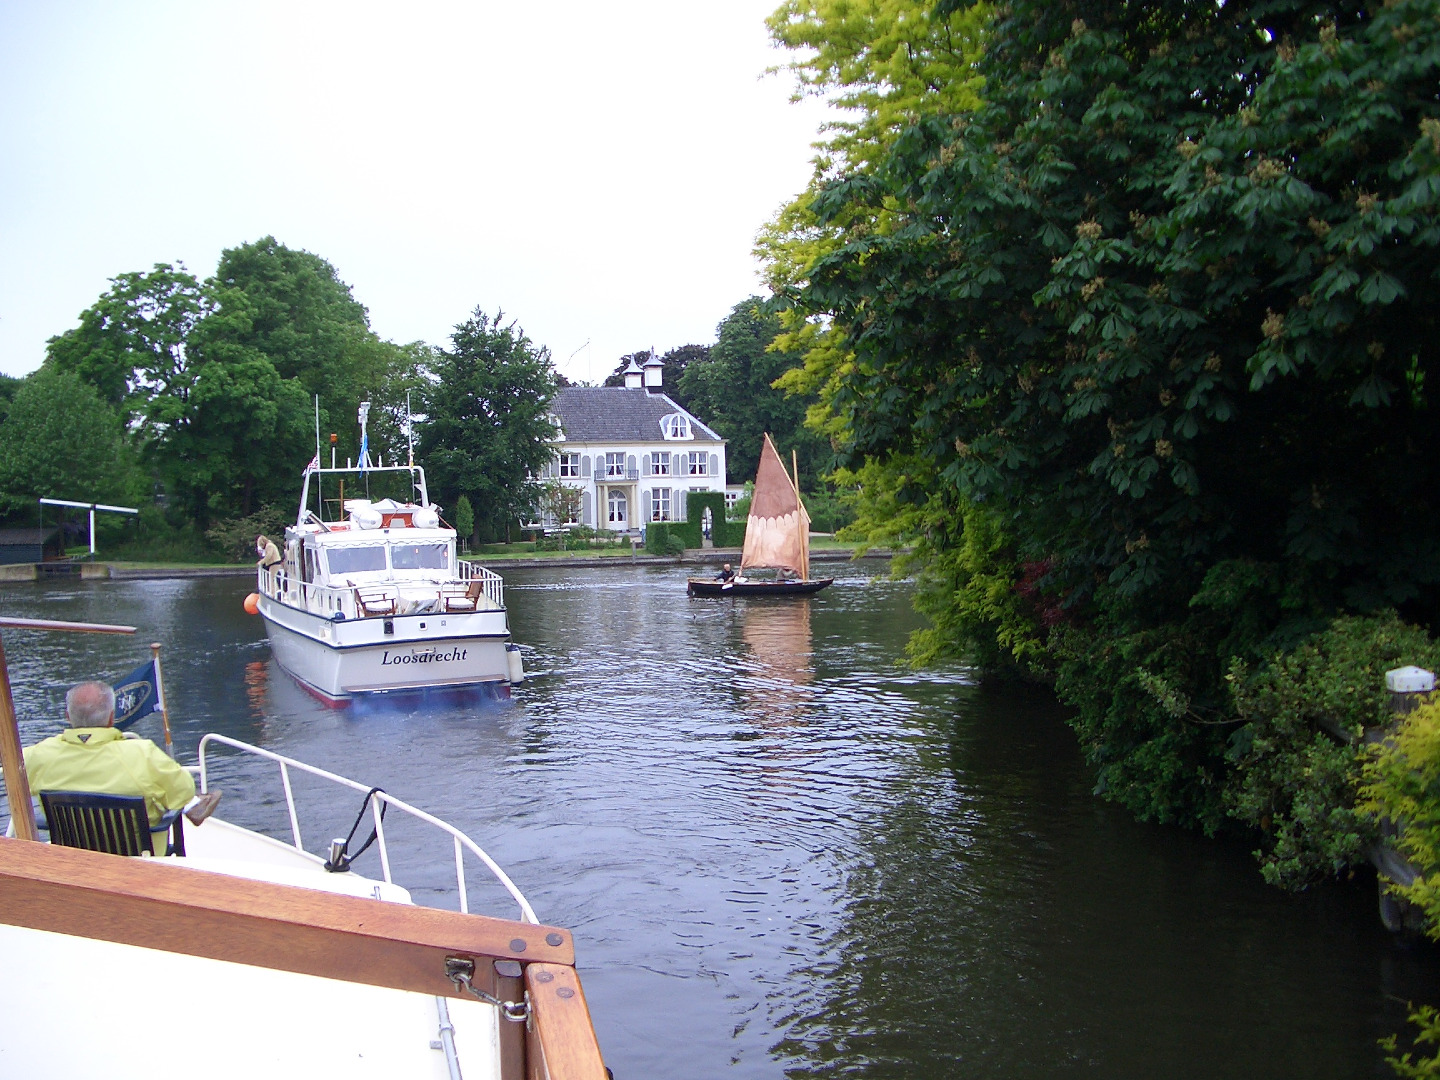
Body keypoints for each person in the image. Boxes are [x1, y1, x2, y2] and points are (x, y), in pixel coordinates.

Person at [23, 681, 222, 847]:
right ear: (112, 717)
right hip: (138, 860)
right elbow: (184, 791)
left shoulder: (38, 755)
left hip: (75, 859)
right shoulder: (142, 754)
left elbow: (12, 781)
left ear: (68, 717)